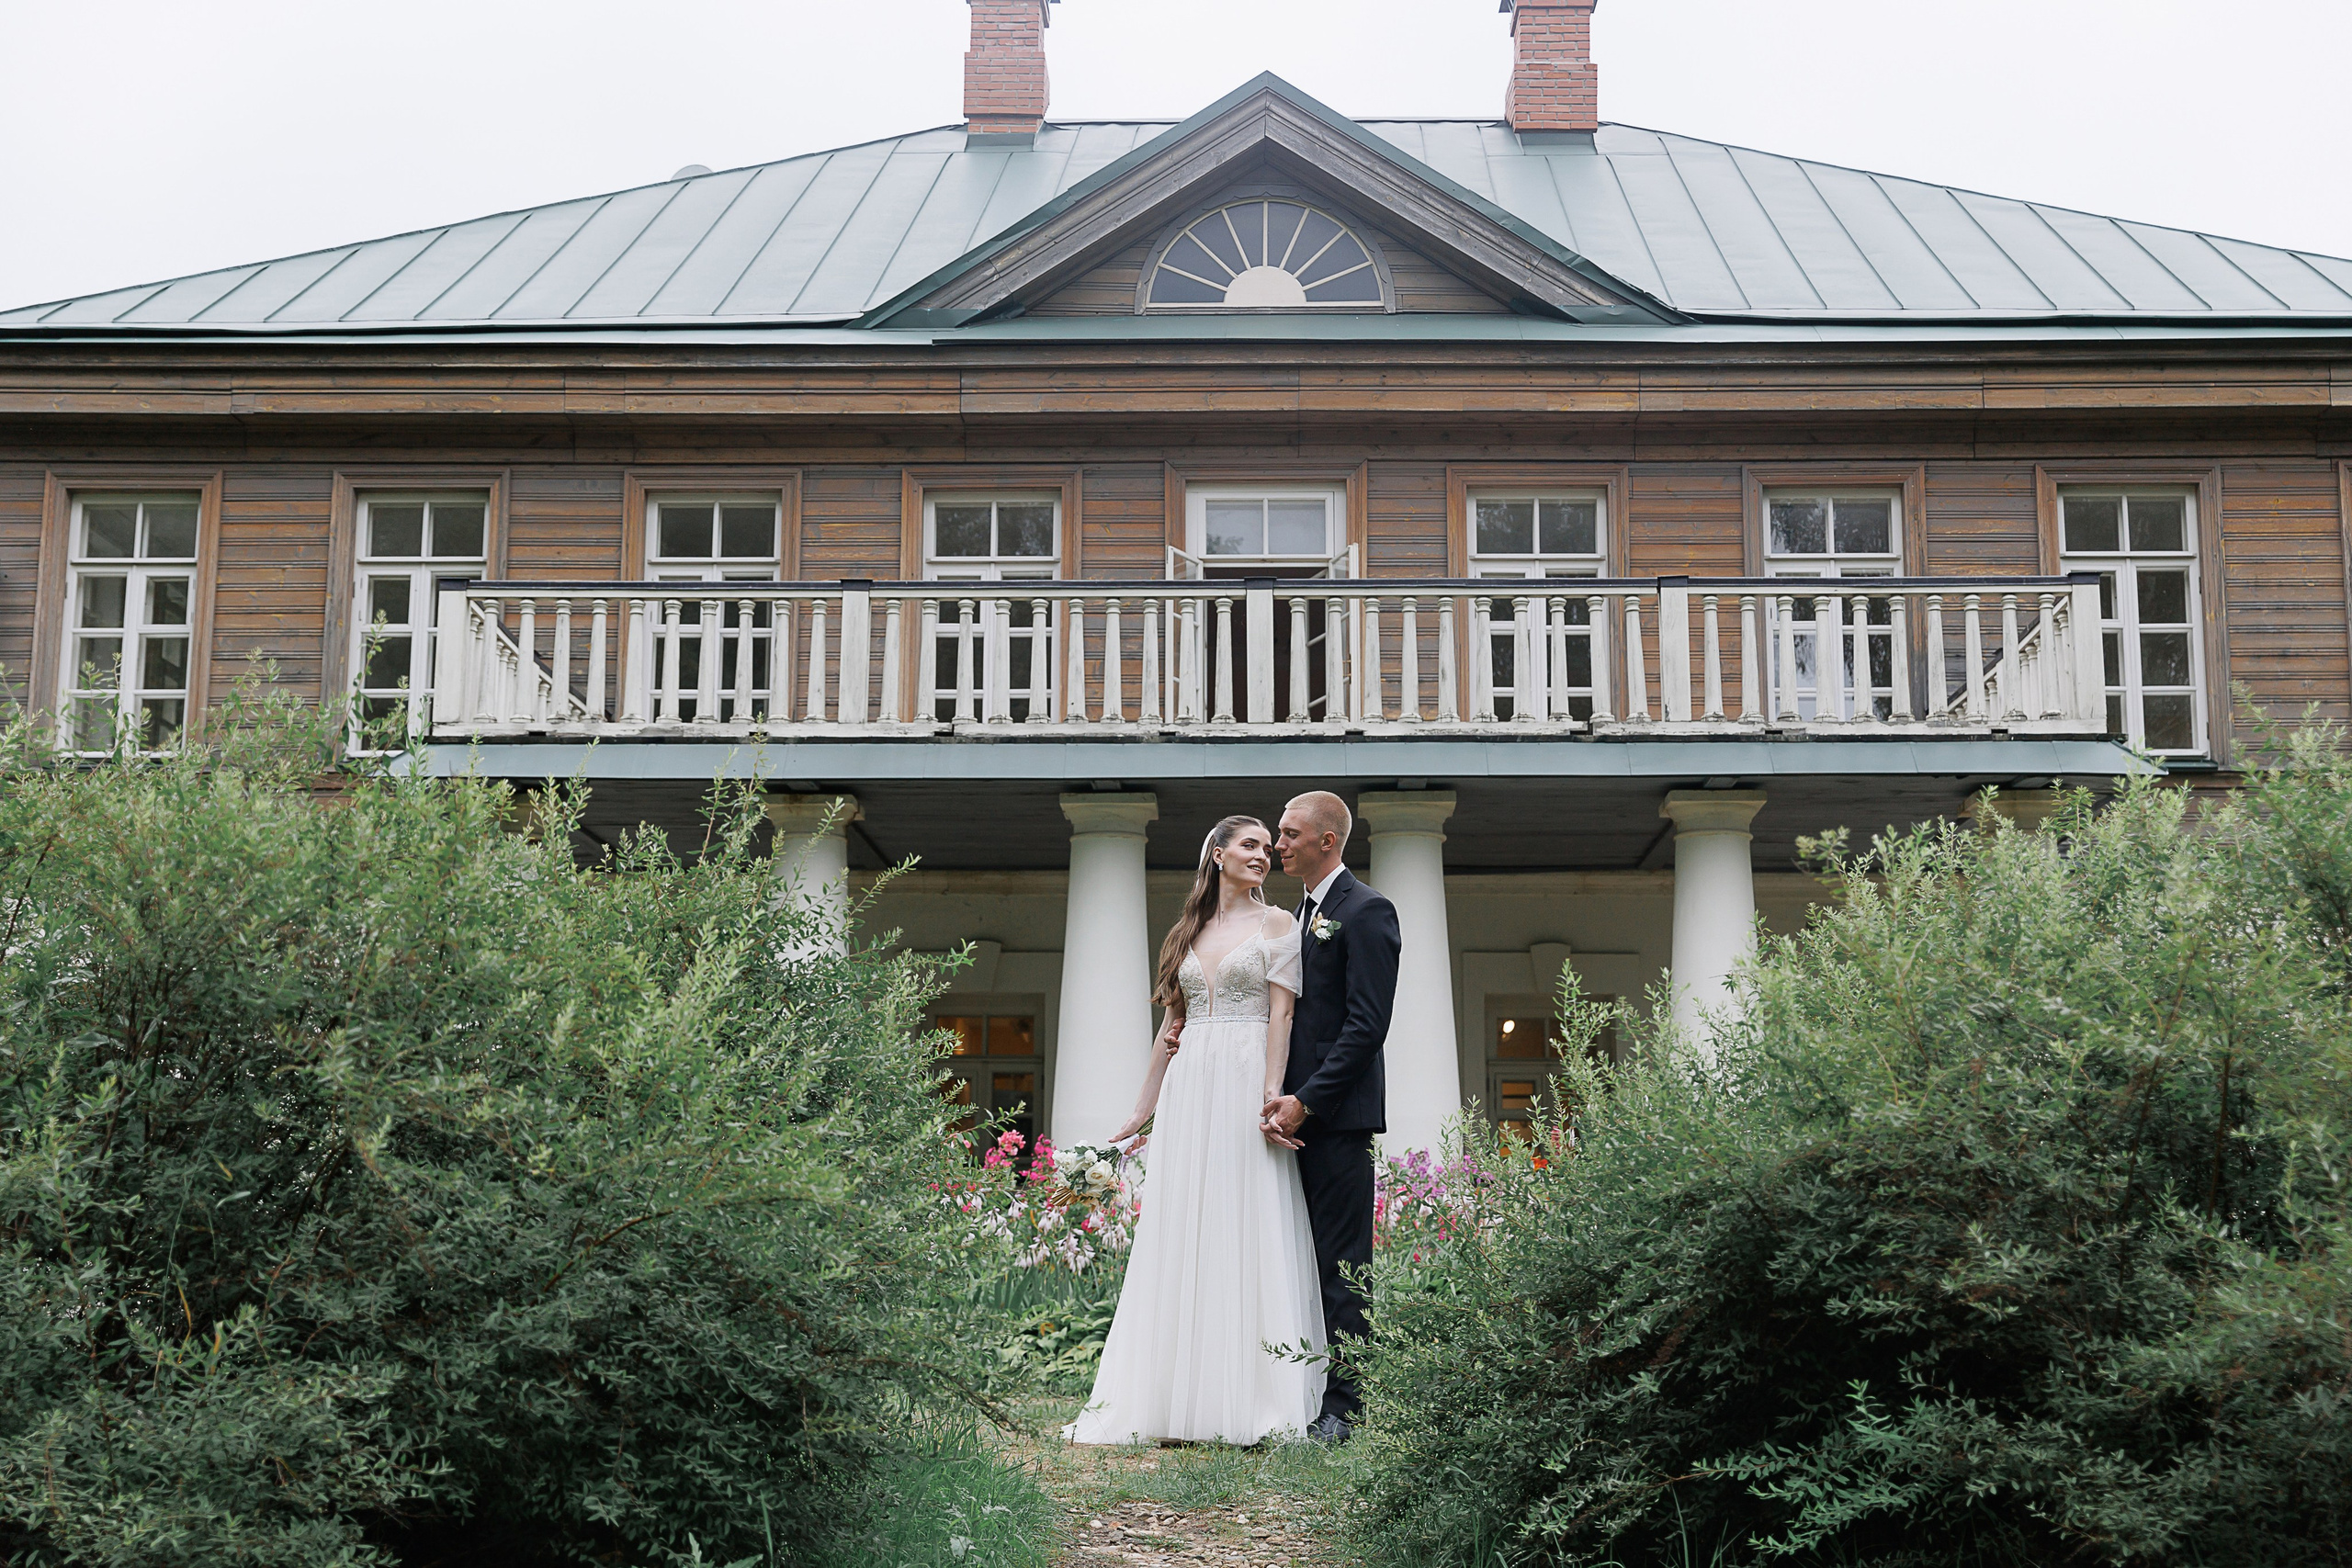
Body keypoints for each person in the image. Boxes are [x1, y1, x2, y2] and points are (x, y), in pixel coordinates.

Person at [1064, 816, 1328, 1446]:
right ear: (1217, 853)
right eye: (1249, 844)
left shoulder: (1278, 925)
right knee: (1185, 1227)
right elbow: (1170, 1029)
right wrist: (1137, 1113)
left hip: (1242, 1080)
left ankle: (1252, 1399)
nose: (1263, 855)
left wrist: (1272, 1093)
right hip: (1189, 1090)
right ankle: (1172, 1398)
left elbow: (1282, 1014)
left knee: (1244, 1223)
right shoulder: (1186, 931)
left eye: (1268, 847)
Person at [1262, 790, 1399, 1444]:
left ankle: (1346, 1407)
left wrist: (1308, 1100)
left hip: (1337, 1120)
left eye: (1290, 834)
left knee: (1344, 1267)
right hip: (1289, 1121)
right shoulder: (1299, 913)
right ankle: (1299, 1392)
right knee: (1295, 1261)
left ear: (1328, 840)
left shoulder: (1368, 910)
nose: (1278, 844)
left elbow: (1366, 1025)